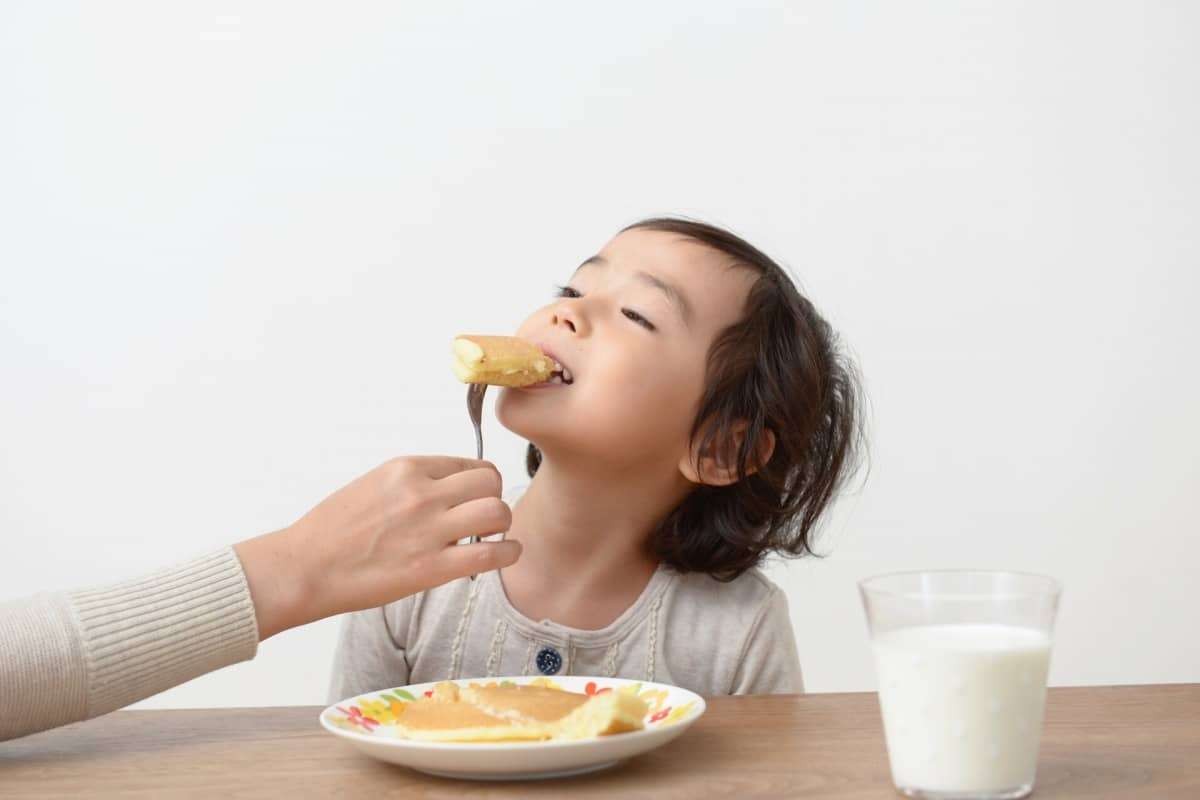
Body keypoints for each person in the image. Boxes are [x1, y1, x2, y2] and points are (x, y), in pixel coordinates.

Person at [330, 218, 864, 699]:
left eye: (636, 314)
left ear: (719, 447)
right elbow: (345, 766)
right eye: (574, 289)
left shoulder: (737, 631)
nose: (567, 312)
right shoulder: (412, 564)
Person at [0, 456, 521, 742]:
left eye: (609, 313)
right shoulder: (414, 586)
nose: (567, 313)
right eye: (568, 292)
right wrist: (298, 565)